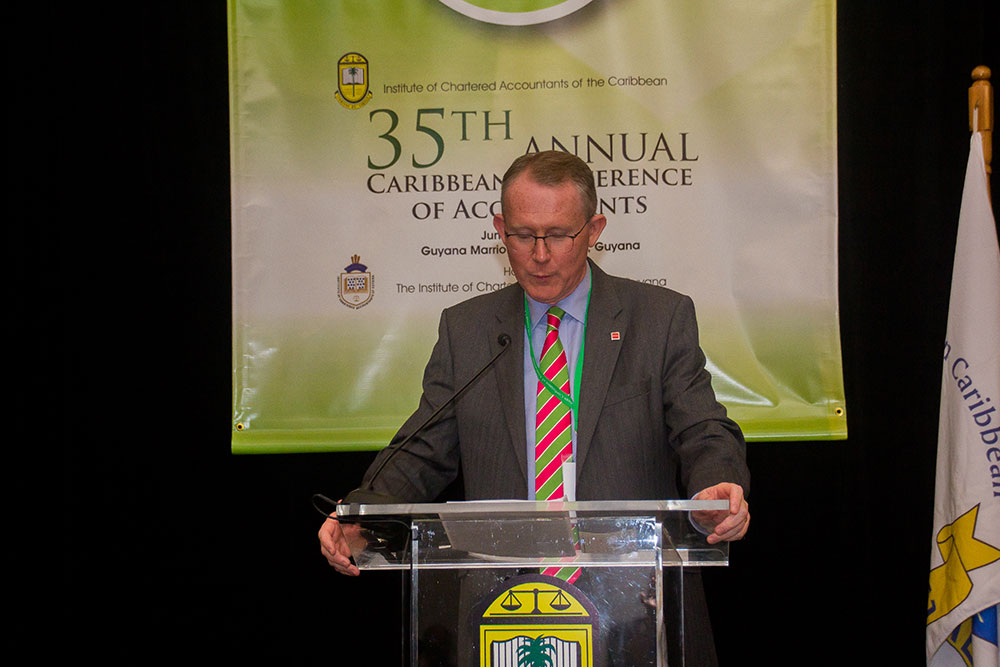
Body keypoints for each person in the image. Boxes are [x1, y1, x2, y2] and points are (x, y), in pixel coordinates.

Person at [319, 150, 750, 665]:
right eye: (523, 235)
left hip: (632, 609)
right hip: (503, 613)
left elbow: (703, 428)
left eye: (558, 235)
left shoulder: (658, 319)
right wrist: (364, 513)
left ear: (594, 230)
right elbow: (423, 450)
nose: (540, 255)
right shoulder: (468, 329)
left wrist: (714, 485)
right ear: (500, 230)